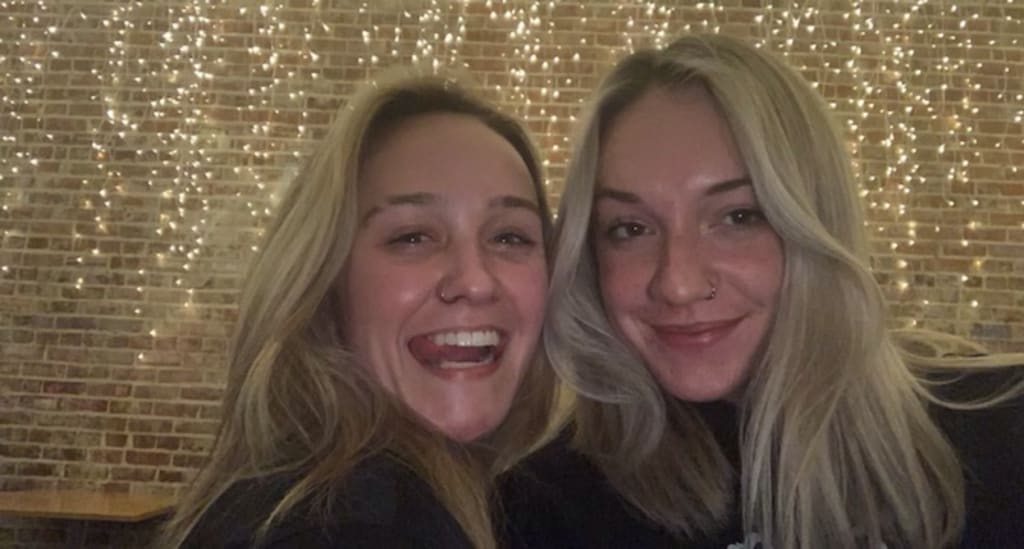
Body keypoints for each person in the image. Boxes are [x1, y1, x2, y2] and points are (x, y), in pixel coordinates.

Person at [500, 33, 1024, 549]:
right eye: (630, 228)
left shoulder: (1003, 436)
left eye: (738, 217)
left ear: (815, 223)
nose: (678, 284)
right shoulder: (544, 507)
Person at [161, 68, 557, 549]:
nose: (475, 281)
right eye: (413, 236)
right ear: (326, 280)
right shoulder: (344, 527)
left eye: (510, 237)